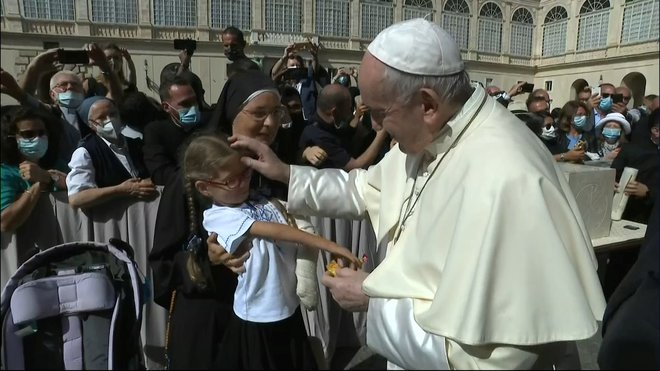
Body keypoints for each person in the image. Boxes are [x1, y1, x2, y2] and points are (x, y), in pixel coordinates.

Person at [223, 19, 606, 369]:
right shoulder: (432, 135)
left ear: (426, 104)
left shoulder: (508, 178)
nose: (373, 125)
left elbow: (488, 360)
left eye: (377, 111)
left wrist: (374, 305)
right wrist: (287, 174)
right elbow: (364, 189)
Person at [183, 133, 359, 369]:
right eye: (231, 180)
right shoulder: (219, 216)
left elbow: (294, 219)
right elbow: (278, 231)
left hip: (287, 306)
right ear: (205, 187)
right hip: (258, 314)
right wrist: (330, 245)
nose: (243, 182)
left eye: (245, 172)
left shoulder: (259, 200)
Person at [66, 96, 156, 209]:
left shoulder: (136, 144)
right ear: (92, 124)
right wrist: (121, 190)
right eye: (102, 118)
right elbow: (76, 198)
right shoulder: (85, 152)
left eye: (113, 114)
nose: (109, 120)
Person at [1, 107, 68, 232]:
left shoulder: (59, 165)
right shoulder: (5, 173)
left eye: (42, 133)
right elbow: (5, 223)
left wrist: (48, 177)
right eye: (28, 134)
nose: (37, 138)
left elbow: (82, 189)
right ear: (12, 138)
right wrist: (38, 186)